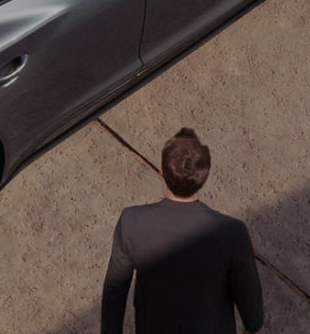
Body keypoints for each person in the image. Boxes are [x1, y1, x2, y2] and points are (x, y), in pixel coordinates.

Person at [100, 127, 264, 334]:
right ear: (204, 176)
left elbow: (114, 292)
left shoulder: (132, 222)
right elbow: (249, 296)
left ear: (162, 170)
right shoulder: (231, 232)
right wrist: (252, 326)